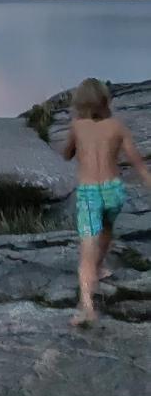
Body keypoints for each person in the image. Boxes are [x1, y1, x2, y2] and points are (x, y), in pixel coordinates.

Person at [62, 78, 151, 325]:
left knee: (86, 253)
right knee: (107, 229)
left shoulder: (77, 126)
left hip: (90, 193)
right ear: (106, 101)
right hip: (113, 191)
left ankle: (87, 307)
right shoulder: (117, 127)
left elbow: (66, 153)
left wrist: (77, 148)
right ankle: (100, 268)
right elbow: (139, 165)